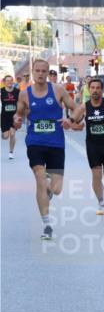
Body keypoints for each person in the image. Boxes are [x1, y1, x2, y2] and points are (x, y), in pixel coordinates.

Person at [11, 59, 79, 240]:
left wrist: (70, 120)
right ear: (32, 72)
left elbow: (76, 108)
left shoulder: (58, 90)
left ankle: (49, 188)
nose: (40, 74)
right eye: (37, 71)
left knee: (56, 189)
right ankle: (47, 224)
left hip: (56, 143)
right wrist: (16, 120)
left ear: (48, 73)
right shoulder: (24, 94)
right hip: (35, 142)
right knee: (40, 178)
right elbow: (18, 114)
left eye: (44, 71)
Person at [67, 78, 104, 215]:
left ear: (102, 90)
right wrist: (75, 125)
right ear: (89, 89)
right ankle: (101, 202)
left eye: (98, 88)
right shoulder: (84, 107)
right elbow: (72, 120)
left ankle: (102, 186)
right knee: (96, 174)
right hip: (92, 145)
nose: (95, 90)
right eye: (92, 88)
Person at [2, 74, 19, 159]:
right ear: (4, 82)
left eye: (11, 80)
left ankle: (11, 152)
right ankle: (4, 134)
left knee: (12, 134)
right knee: (5, 137)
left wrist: (18, 113)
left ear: (13, 82)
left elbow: (20, 103)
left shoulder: (17, 91)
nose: (9, 82)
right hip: (4, 117)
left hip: (14, 116)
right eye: (7, 80)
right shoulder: (1, 91)